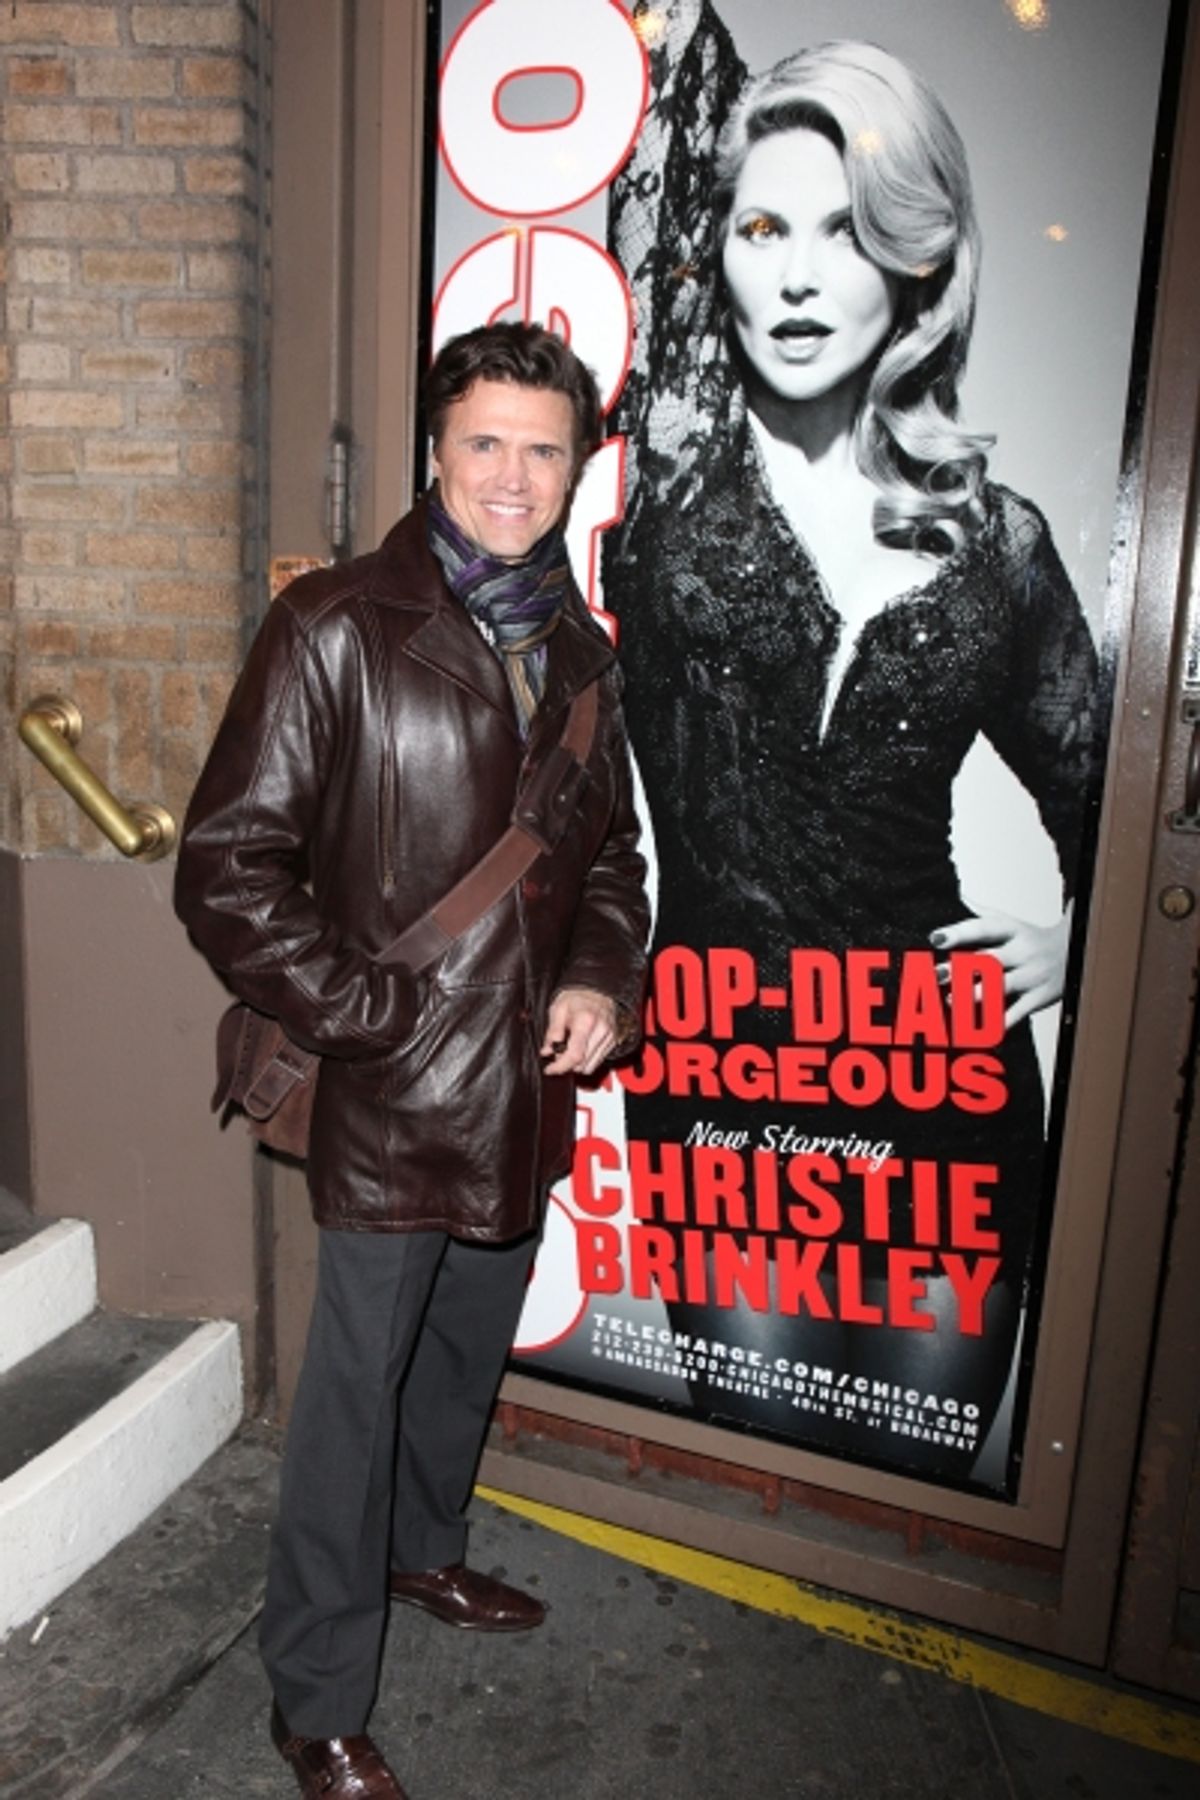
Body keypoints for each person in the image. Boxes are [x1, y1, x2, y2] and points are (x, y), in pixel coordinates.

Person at [605, 0, 1099, 1480]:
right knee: (769, 1464)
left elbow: (1122, 821)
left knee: (924, 1468)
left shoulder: (998, 548)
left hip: (941, 1086)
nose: (806, 276)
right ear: (726, 258)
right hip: (726, 1085)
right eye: (766, 230)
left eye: (850, 231)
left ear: (918, 267)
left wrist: (1085, 949)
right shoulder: (651, 531)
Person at [175, 322, 649, 1799]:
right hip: (389, 1094)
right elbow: (225, 868)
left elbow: (613, 864)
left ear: (580, 469)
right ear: (434, 452)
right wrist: (372, 1020)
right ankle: (314, 1690)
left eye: (544, 449)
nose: (513, 476)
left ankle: (425, 1554)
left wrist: (595, 979)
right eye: (485, 443)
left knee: (459, 1357)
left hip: (521, 1087)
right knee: (354, 1395)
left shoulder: (579, 653)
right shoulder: (336, 626)